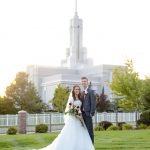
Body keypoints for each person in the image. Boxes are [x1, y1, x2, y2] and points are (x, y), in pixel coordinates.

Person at [35, 85, 95, 150]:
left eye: (78, 89)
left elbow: (80, 107)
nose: (77, 90)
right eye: (76, 89)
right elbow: (69, 109)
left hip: (80, 119)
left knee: (81, 133)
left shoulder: (80, 98)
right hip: (74, 119)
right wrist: (76, 114)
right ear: (73, 90)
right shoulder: (72, 98)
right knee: (72, 133)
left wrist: (80, 115)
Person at [81, 77, 96, 144]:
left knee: (90, 131)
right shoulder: (82, 92)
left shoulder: (91, 91)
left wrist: (91, 113)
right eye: (82, 81)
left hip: (88, 114)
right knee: (83, 131)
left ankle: (91, 145)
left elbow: (93, 103)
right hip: (82, 115)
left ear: (87, 82)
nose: (83, 82)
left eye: (85, 81)